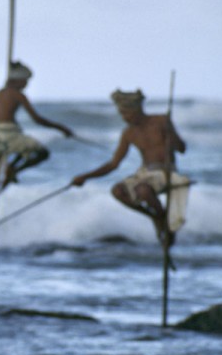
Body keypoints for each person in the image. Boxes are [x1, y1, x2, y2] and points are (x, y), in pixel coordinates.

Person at [71, 89, 189, 246]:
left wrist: (170, 134)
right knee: (118, 191)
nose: (124, 118)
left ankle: (161, 218)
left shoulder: (161, 121)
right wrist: (85, 177)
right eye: (121, 114)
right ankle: (155, 216)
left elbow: (182, 148)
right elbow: (113, 164)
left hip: (166, 171)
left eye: (126, 113)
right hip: (145, 173)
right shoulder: (129, 133)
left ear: (137, 110)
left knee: (143, 190)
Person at [0, 61, 73, 187]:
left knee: (24, 150)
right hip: (10, 135)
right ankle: (14, 170)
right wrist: (61, 128)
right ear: (18, 79)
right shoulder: (18, 95)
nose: (26, 84)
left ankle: (11, 168)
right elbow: (37, 119)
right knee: (43, 153)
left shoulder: (0, 92)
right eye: (25, 80)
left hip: (1, 133)